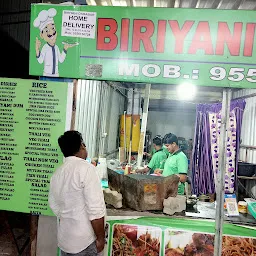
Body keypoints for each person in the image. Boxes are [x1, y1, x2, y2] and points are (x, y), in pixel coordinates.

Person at [49, 131, 106, 256]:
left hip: (65, 240)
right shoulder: (86, 169)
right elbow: (96, 210)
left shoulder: (57, 174)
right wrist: (101, 238)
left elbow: (54, 205)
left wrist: (69, 216)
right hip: (84, 242)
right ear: (81, 146)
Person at [33, 8, 76, 77]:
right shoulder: (45, 47)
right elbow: (40, 61)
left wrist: (65, 49)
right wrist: (37, 49)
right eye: (46, 31)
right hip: (46, 75)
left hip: (56, 75)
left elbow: (61, 60)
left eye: (53, 28)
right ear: (42, 35)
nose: (51, 33)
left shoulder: (56, 47)